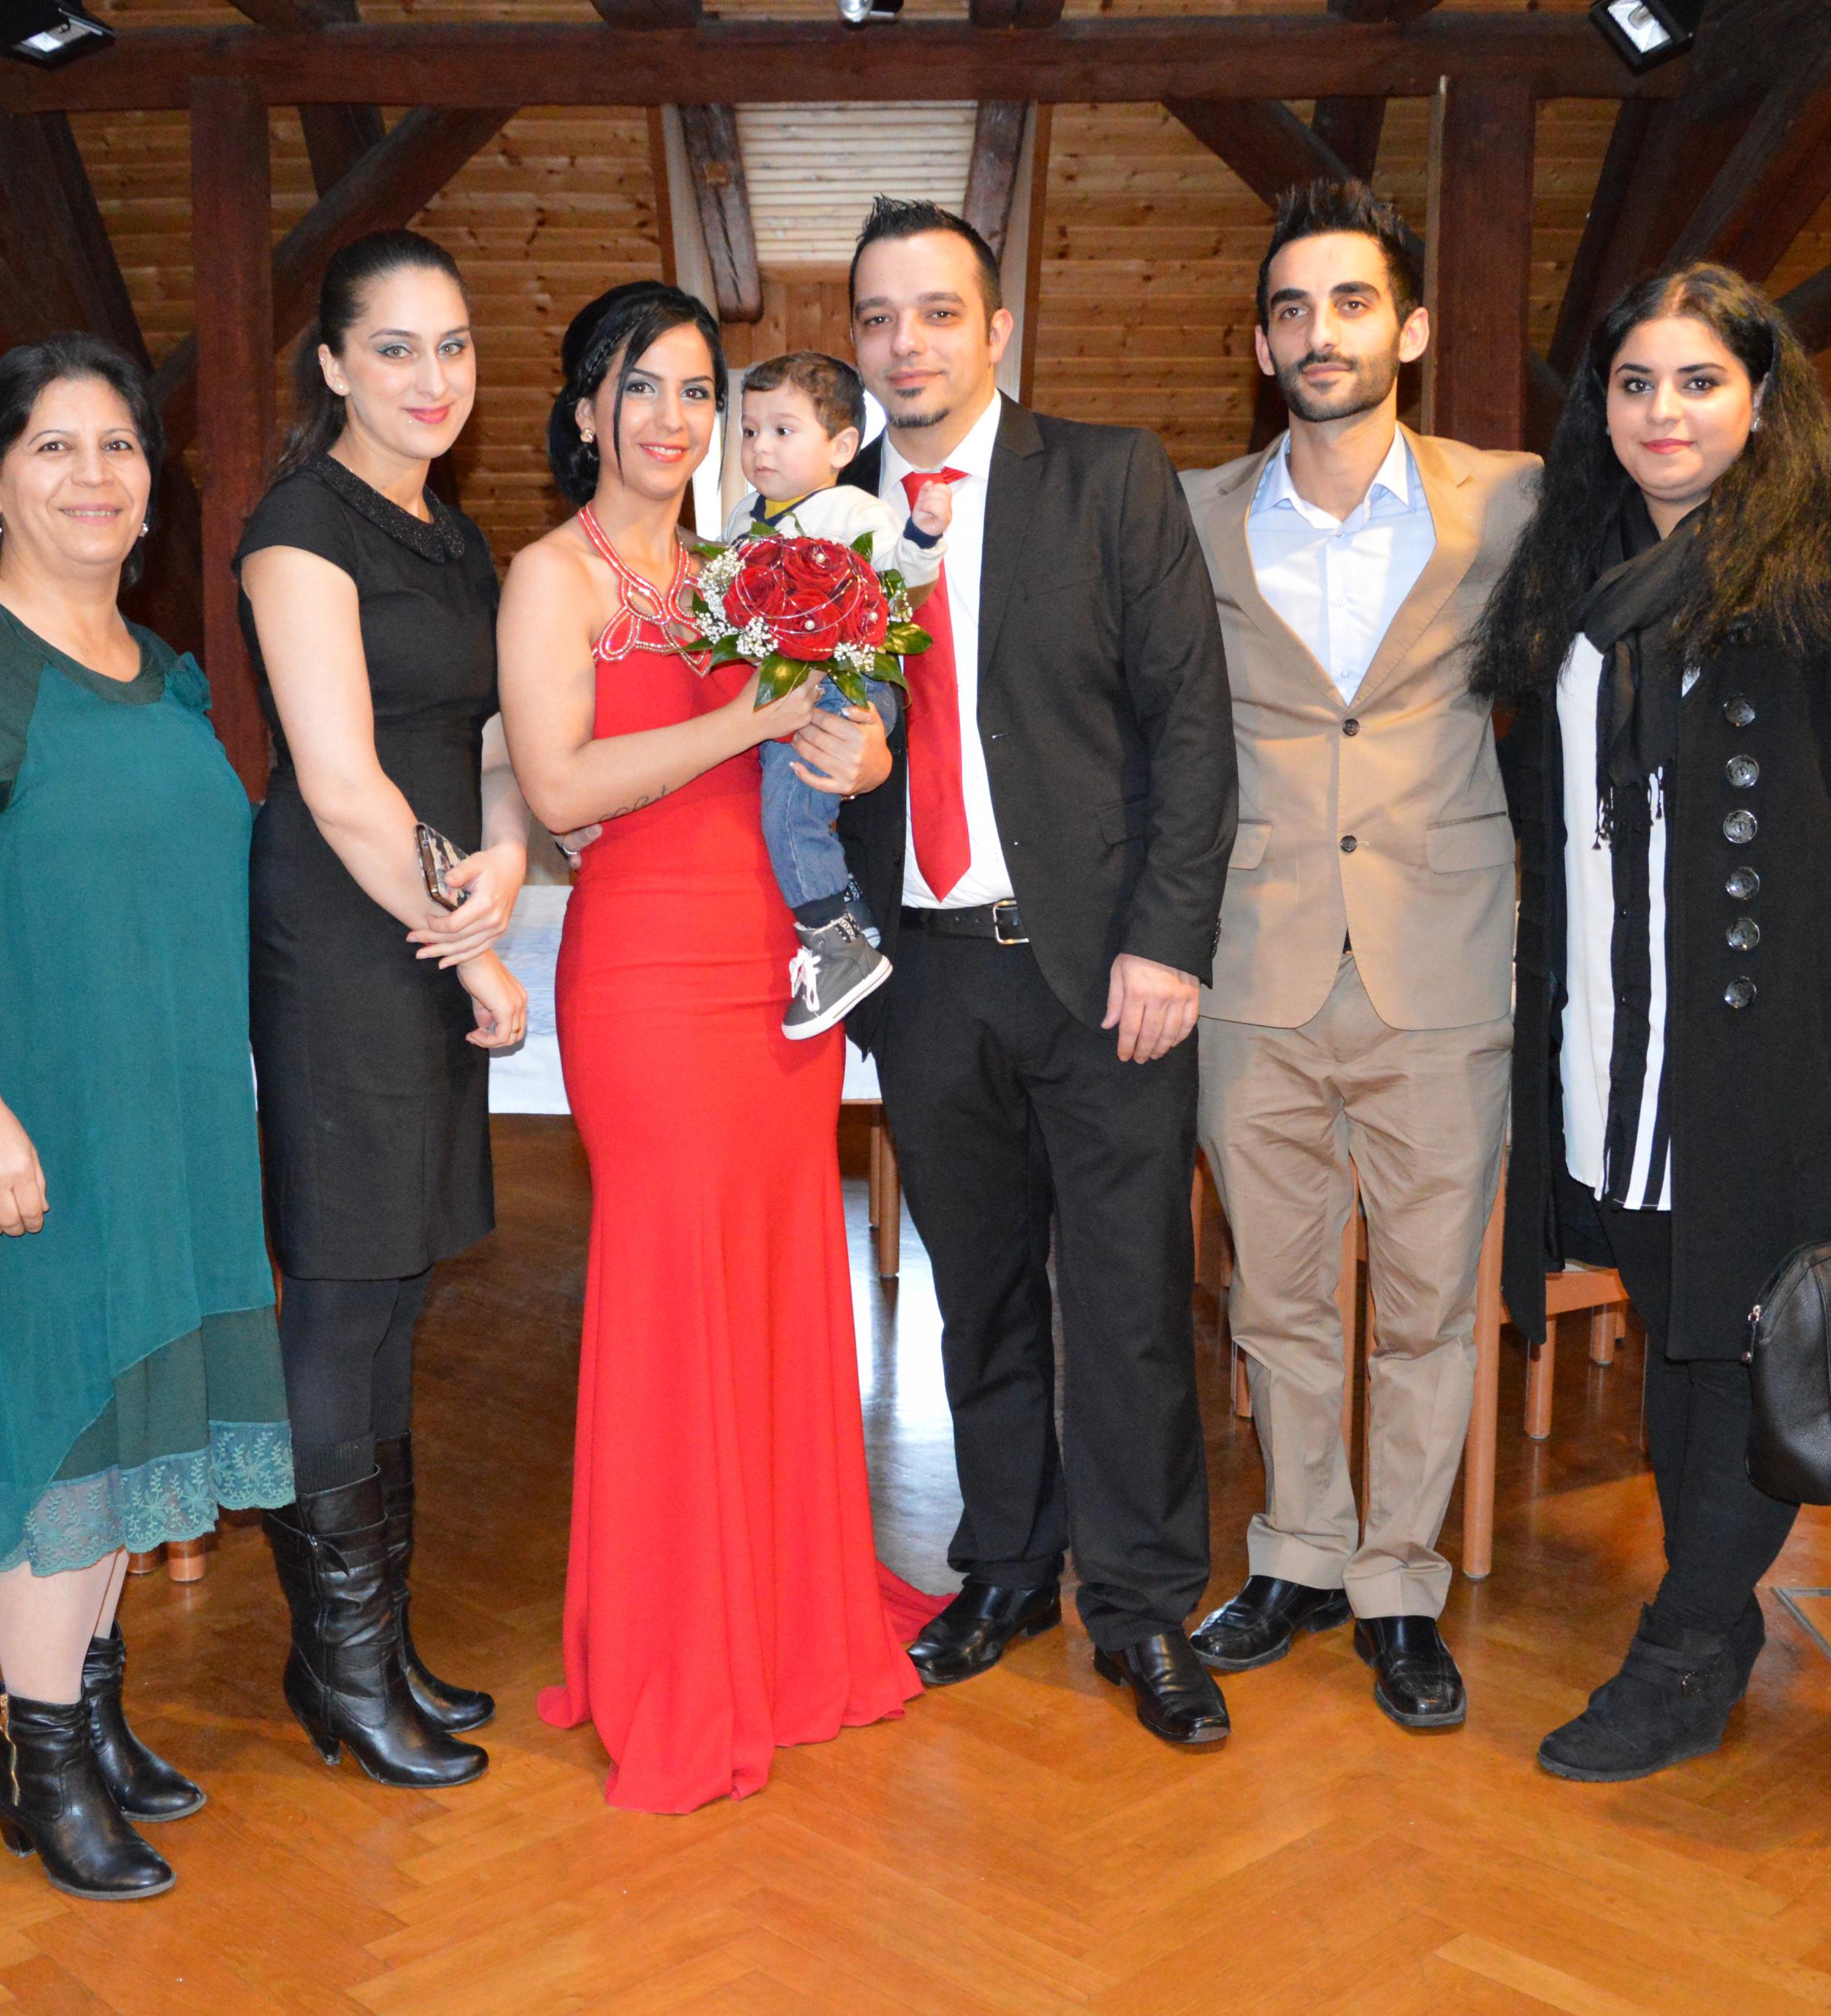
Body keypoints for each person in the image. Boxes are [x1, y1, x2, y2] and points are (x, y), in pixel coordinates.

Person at [1475, 263, 1831, 1784]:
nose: (1664, 412)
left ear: (1762, 398)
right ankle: (1711, 1609)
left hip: (1777, 1038)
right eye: (1636, 383)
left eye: (1699, 381)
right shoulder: (1570, 567)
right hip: (1606, 1033)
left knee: (1753, 1338)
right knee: (1680, 1330)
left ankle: (1688, 1638)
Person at [0, 335, 288, 1901]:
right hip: (33, 1116)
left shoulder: (160, 669)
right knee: (57, 1428)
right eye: (53, 446)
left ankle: (83, 1715)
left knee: (135, 1416)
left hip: (169, 1119)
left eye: (119, 446)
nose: (95, 474)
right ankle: (41, 1758)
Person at [498, 280, 926, 1814]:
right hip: (646, 975)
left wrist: (855, 745)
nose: (673, 418)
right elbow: (558, 786)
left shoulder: (746, 562)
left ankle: (787, 1614)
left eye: (697, 390)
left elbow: (834, 733)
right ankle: (678, 1647)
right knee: (673, 1283)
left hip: (776, 966)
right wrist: (752, 717)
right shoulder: (551, 576)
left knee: (781, 1269)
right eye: (642, 386)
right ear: (585, 410)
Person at [834, 198, 1240, 1749]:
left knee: (1127, 1301)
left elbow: (1190, 722)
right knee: (977, 1296)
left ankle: (1139, 1606)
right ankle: (1004, 1563)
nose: (907, 344)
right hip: (924, 979)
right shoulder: (824, 519)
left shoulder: (1110, 476)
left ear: (997, 329)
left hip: (1099, 969)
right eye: (879, 317)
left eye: (938, 312)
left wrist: (1169, 939)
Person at [1178, 181, 1536, 1732]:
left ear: (1411, 327)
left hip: (1440, 958)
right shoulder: (1190, 511)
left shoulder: (1510, 501)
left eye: (1348, 301)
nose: (1317, 331)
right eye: (1290, 309)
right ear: (1261, 346)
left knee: (1429, 1303)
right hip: (1248, 958)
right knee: (1275, 1299)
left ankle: (1399, 1579)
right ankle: (1299, 1550)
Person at [235, 230, 528, 1791]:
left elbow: (484, 746)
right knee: (342, 1297)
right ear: (335, 365)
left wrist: (504, 858)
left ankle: (371, 1647)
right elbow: (342, 782)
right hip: (348, 940)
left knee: (399, 1287)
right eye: (397, 347)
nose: (432, 377)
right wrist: (469, 945)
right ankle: (339, 1669)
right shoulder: (298, 526)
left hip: (424, 916)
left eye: (454, 345)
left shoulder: (453, 535)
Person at [723, 349, 951, 1037]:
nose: (761, 448)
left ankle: (834, 942)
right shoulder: (743, 514)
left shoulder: (853, 509)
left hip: (850, 681)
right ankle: (850, 913)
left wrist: (923, 536)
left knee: (791, 805)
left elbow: (903, 584)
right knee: (780, 800)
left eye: (783, 430)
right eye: (750, 431)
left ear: (842, 447)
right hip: (786, 687)